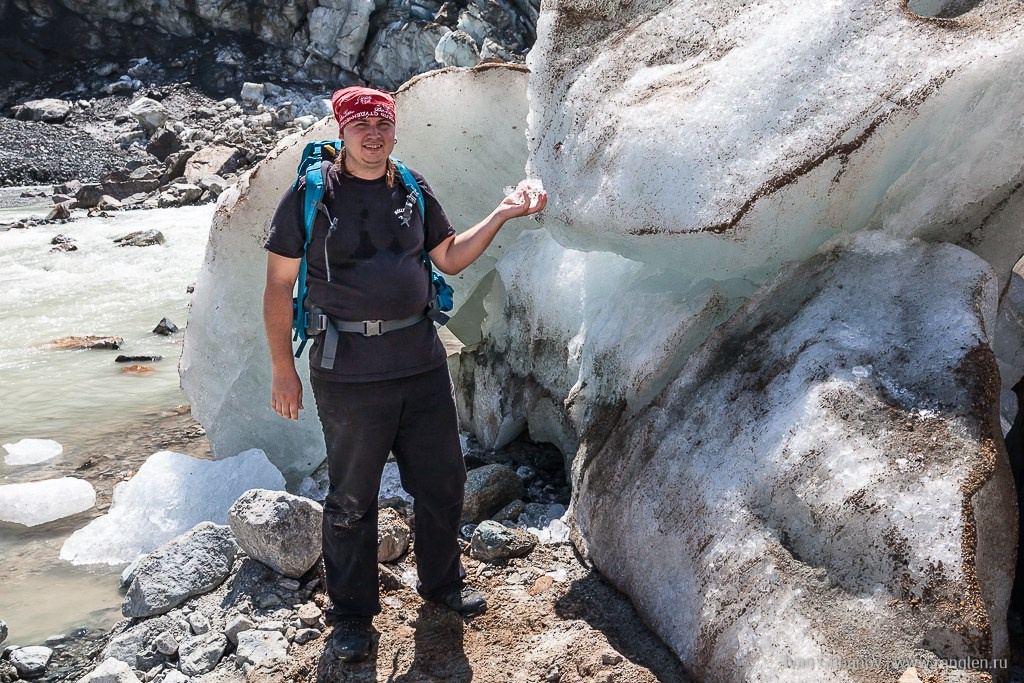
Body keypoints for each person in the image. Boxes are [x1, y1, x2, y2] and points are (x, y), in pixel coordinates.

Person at [262, 86, 547, 663]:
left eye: (383, 125)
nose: (374, 135)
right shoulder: (311, 196)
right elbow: (277, 286)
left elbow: (447, 256)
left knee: (442, 481)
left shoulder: (411, 188)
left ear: (395, 129)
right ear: (341, 130)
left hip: (419, 359)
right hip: (347, 371)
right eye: (361, 125)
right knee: (351, 498)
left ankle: (441, 585)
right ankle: (351, 616)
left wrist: (504, 212)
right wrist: (281, 370)